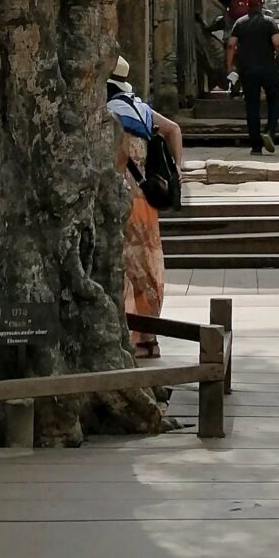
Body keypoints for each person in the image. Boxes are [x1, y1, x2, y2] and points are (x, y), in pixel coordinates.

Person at [108, 63, 183, 355]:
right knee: (149, 266)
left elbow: (119, 157)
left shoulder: (110, 112)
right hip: (147, 201)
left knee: (127, 267)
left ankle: (134, 336)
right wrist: (177, 170)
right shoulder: (140, 109)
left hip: (123, 199)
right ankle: (148, 337)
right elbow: (174, 129)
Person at [225, 0, 279, 154]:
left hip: (247, 69)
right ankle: (270, 131)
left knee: (252, 105)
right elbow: (277, 43)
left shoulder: (240, 23)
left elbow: (231, 45)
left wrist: (229, 66)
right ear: (261, 4)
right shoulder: (269, 22)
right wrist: (277, 52)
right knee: (274, 100)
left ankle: (256, 146)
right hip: (268, 68)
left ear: (247, 6)